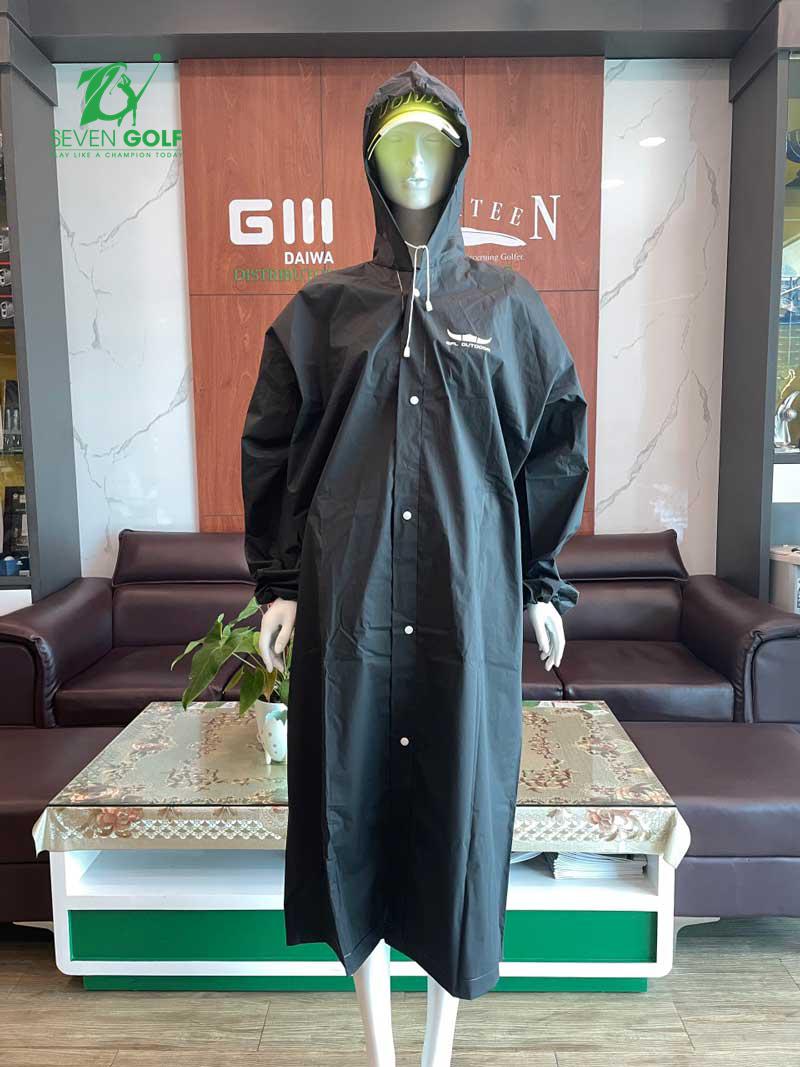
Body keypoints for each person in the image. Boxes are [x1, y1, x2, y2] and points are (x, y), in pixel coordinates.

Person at [241, 60, 589, 1067]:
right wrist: (280, 584)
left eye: (435, 142)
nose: (418, 163)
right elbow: (273, 451)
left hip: (462, 607)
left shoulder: (508, 307)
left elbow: (552, 445)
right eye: (398, 144)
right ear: (370, 163)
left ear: (463, 159)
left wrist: (538, 580)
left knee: (455, 821)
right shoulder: (322, 311)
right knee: (351, 813)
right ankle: (381, 1051)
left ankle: (435, 1052)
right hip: (349, 605)